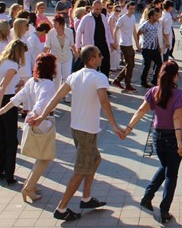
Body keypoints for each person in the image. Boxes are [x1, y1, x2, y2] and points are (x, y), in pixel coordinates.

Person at [27, 46, 126, 221]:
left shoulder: (75, 76)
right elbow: (104, 101)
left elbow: (56, 97)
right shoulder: (99, 77)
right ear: (92, 60)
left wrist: (42, 116)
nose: (102, 58)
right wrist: (115, 126)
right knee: (80, 170)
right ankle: (62, 208)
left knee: (95, 160)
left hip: (77, 128)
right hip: (87, 130)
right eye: (99, 55)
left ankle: (86, 198)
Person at [124, 61, 182, 223]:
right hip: (173, 137)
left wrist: (128, 129)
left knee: (165, 166)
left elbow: (140, 111)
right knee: (171, 174)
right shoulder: (180, 94)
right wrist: (180, 141)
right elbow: (177, 118)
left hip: (157, 136)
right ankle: (164, 210)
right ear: (175, 76)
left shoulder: (154, 92)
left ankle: (148, 196)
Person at [0, 53, 58, 203]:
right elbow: (42, 103)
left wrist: (2, 110)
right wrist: (35, 115)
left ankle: (32, 185)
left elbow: (17, 99)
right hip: (43, 121)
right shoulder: (48, 84)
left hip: (34, 121)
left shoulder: (32, 82)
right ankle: (28, 188)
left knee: (40, 155)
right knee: (45, 157)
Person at [0, 39, 28, 184]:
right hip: (5, 100)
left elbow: (0, 83)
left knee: (1, 137)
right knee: (11, 139)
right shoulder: (13, 65)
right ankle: (9, 173)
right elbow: (3, 85)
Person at [75, 0, 115, 76]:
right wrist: (78, 46)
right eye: (97, 9)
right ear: (92, 8)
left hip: (103, 45)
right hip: (91, 46)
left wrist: (111, 42)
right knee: (92, 67)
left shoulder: (103, 17)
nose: (99, 11)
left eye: (100, 9)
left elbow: (107, 30)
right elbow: (79, 31)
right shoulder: (86, 18)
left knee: (106, 65)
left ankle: (104, 82)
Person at [44, 15, 77, 92]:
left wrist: (75, 53)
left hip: (67, 57)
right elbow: (47, 46)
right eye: (54, 23)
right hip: (55, 58)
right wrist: (44, 56)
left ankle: (65, 93)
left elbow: (72, 44)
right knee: (57, 77)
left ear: (61, 24)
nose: (54, 25)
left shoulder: (69, 32)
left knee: (67, 76)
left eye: (56, 23)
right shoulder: (50, 33)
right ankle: (56, 93)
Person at [113, 2, 139, 92]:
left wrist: (137, 43)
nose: (132, 10)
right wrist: (115, 41)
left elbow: (134, 31)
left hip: (130, 43)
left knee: (131, 64)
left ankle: (118, 80)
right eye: (131, 8)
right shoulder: (122, 18)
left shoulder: (133, 17)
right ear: (127, 9)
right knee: (130, 64)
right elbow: (115, 30)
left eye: (133, 8)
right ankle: (127, 85)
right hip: (123, 43)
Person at [137, 8, 163, 88]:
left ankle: (155, 80)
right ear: (151, 16)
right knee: (147, 65)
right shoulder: (145, 25)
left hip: (154, 48)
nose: (157, 17)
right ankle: (143, 81)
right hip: (147, 49)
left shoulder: (156, 24)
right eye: (155, 15)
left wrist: (158, 46)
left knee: (159, 63)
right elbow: (138, 33)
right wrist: (138, 45)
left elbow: (156, 36)